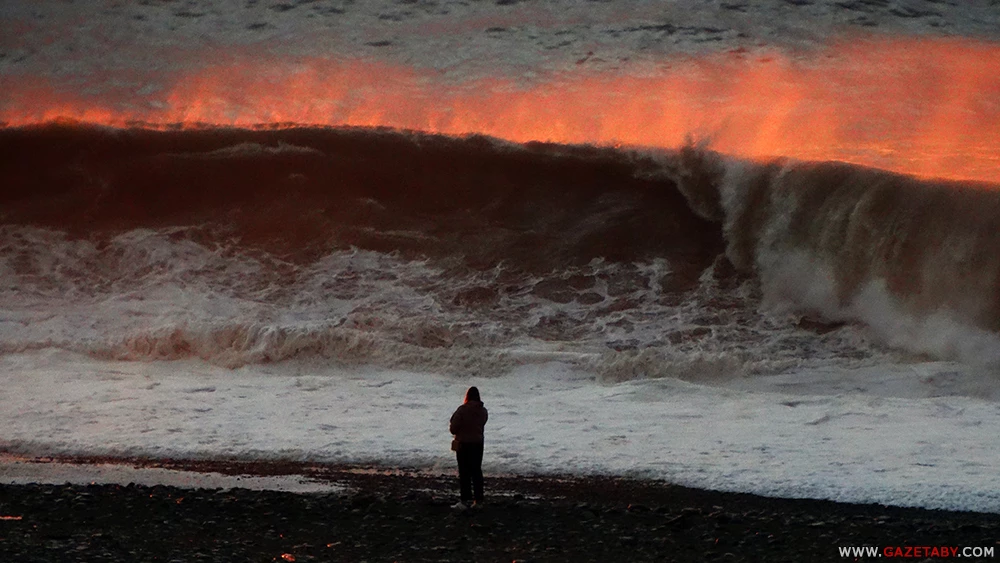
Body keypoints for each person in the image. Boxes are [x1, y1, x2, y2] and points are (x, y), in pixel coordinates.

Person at [449, 386, 488, 509]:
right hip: (478, 443)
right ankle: (478, 501)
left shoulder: (462, 409)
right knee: (476, 471)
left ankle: (465, 501)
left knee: (464, 472)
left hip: (463, 443)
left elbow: (453, 428)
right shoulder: (483, 411)